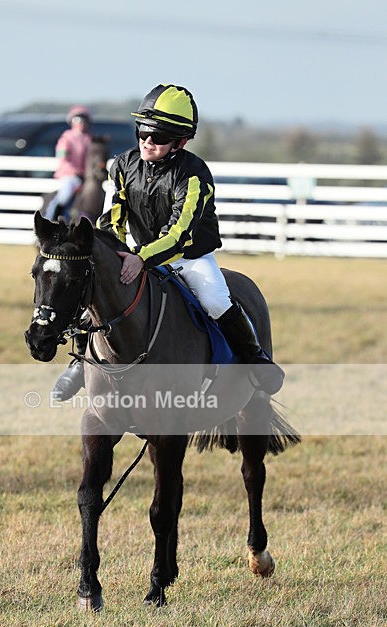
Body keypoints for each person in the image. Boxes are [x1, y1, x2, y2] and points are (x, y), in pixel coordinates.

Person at [51, 84, 284, 401]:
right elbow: (112, 217)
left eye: (158, 137)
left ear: (181, 141)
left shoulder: (194, 175)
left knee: (215, 299)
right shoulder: (122, 166)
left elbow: (179, 234)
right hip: (138, 253)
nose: (147, 141)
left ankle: (254, 359)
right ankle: (81, 364)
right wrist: (115, 253)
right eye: (143, 132)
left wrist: (141, 259)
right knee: (96, 291)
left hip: (189, 257)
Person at [44, 105, 92, 221]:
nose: (81, 123)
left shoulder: (89, 139)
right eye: (77, 120)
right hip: (69, 175)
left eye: (83, 120)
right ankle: (50, 218)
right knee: (64, 196)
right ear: (72, 122)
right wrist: (74, 170)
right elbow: (62, 158)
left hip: (85, 176)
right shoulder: (66, 138)